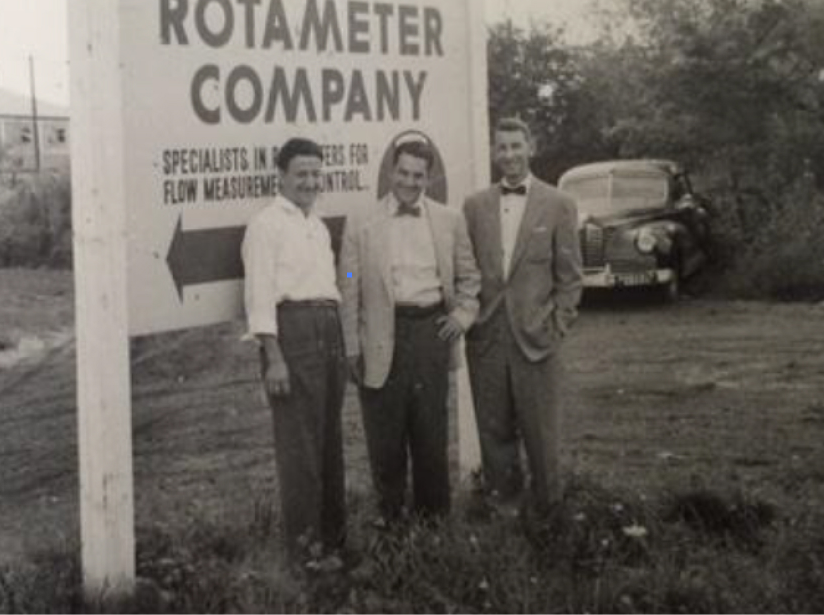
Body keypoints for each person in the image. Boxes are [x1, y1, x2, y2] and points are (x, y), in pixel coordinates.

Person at [338, 138, 480, 526]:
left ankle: (435, 533)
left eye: (419, 175)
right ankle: (392, 533)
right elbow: (348, 283)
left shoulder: (449, 220)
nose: (410, 181)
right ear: (390, 172)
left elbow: (469, 279)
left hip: (431, 335)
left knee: (431, 440)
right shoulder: (361, 223)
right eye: (403, 172)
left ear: (429, 177)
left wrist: (462, 317)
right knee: (385, 444)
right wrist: (352, 346)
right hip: (381, 339)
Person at [461, 117, 583, 518]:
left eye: (516, 146)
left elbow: (570, 278)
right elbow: (466, 271)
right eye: (502, 148)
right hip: (488, 339)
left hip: (537, 339)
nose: (509, 155)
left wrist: (557, 324)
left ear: (531, 147)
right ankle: (505, 515)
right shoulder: (475, 206)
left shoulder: (559, 203)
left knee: (542, 436)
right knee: (494, 433)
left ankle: (550, 518)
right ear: (494, 153)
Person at [241, 137, 347, 569]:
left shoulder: (317, 226)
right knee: (299, 448)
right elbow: (260, 294)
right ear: (281, 176)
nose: (309, 182)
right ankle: (305, 551)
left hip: (329, 329)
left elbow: (336, 279)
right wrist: (274, 355)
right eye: (301, 173)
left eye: (315, 174)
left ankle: (334, 542)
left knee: (330, 442)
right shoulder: (266, 225)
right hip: (292, 334)